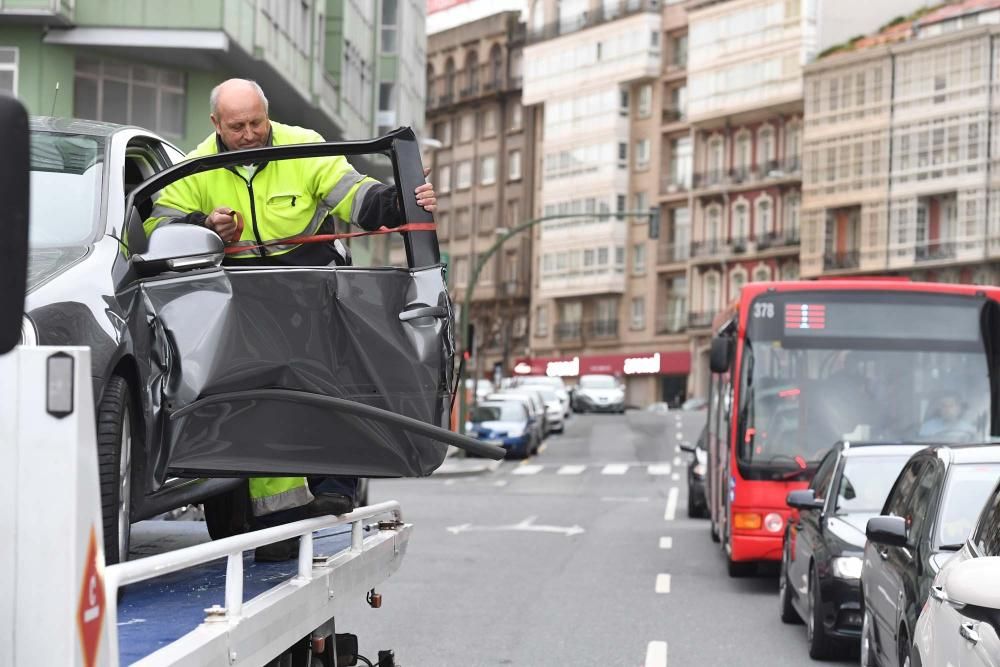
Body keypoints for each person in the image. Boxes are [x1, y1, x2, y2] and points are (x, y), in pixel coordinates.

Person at [145, 79, 437, 560]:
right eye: (237, 126)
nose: (249, 133)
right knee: (260, 402)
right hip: (244, 302)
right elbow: (157, 225)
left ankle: (336, 484)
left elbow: (356, 197)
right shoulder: (196, 168)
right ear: (216, 124)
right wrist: (204, 227)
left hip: (312, 292)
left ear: (268, 113)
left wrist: (402, 200)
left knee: (332, 384)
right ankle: (277, 524)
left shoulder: (305, 147)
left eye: (256, 121)